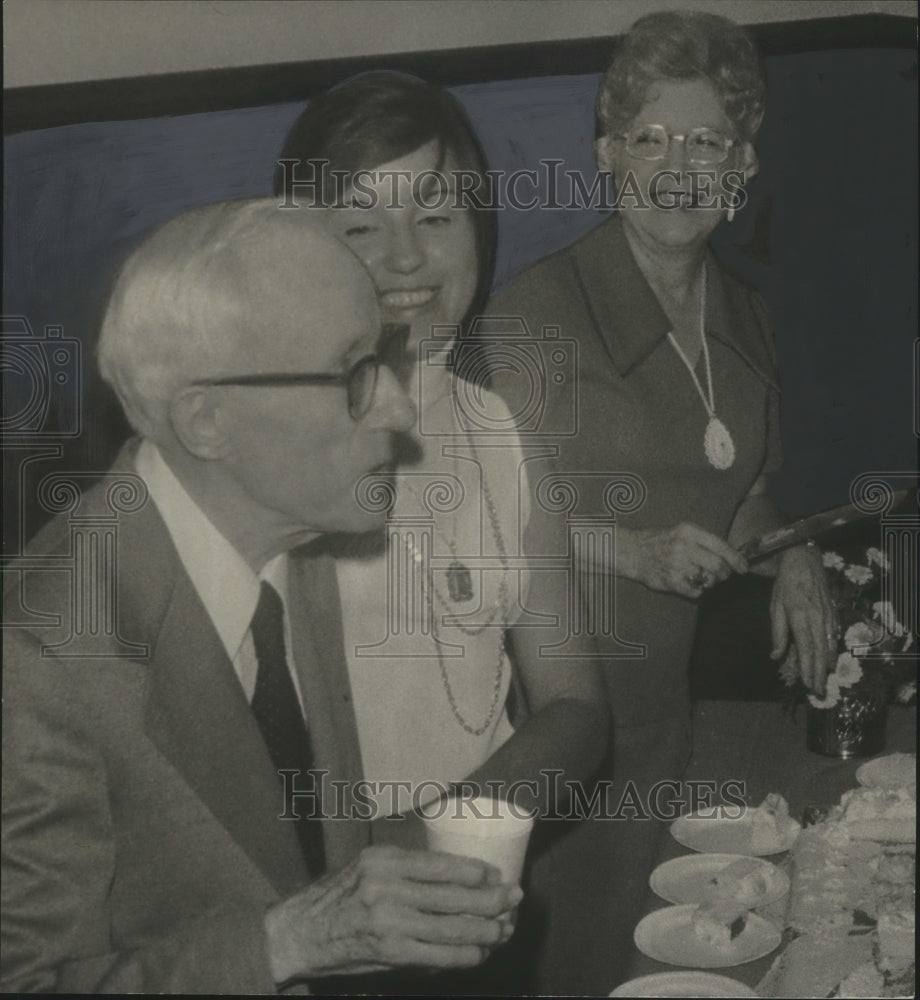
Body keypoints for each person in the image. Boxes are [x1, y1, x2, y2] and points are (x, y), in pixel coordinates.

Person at [0, 200, 524, 994]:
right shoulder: (38, 658)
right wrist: (286, 945)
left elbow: (286, 848)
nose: (399, 408)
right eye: (353, 373)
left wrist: (406, 897)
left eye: (385, 357)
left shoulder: (290, 539)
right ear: (208, 422)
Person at [483, 11, 837, 993]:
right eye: (648, 137)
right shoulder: (534, 318)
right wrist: (631, 552)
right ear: (606, 155)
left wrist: (789, 550)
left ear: (742, 162)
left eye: (705, 139)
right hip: (547, 739)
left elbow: (744, 486)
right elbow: (478, 525)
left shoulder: (744, 314)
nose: (676, 165)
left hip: (665, 735)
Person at [275, 73, 608, 832]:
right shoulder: (270, 449)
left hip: (478, 884)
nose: (405, 260)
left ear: (479, 231)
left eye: (435, 216)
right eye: (360, 228)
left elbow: (576, 705)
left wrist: (459, 830)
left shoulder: (508, 436)